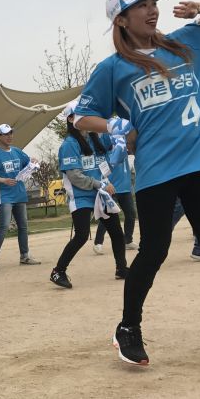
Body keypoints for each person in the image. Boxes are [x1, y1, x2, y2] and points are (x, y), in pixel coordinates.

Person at [73, 0, 200, 364]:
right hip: (157, 170)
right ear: (121, 20)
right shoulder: (113, 68)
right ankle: (128, 328)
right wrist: (116, 127)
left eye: (153, 2)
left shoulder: (190, 41)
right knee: (153, 250)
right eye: (140, 5)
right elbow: (81, 115)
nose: (151, 9)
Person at [50, 107, 128, 289]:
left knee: (117, 232)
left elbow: (112, 143)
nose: (86, 119)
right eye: (81, 115)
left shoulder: (94, 138)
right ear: (70, 119)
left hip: (100, 194)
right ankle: (58, 271)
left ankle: (121, 268)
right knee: (82, 235)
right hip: (82, 195)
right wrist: (99, 184)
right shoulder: (69, 144)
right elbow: (75, 176)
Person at [0, 124, 41, 268]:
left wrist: (33, 161)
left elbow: (28, 164)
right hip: (4, 195)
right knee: (4, 225)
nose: (9, 136)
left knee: (23, 226)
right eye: (6, 134)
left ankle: (25, 256)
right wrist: (3, 180)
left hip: (19, 193)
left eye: (11, 133)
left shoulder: (17, 151)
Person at [92, 134, 138, 254]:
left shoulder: (124, 149)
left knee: (131, 214)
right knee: (107, 216)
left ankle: (127, 240)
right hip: (111, 188)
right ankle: (98, 243)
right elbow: (101, 168)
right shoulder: (105, 152)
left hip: (125, 188)